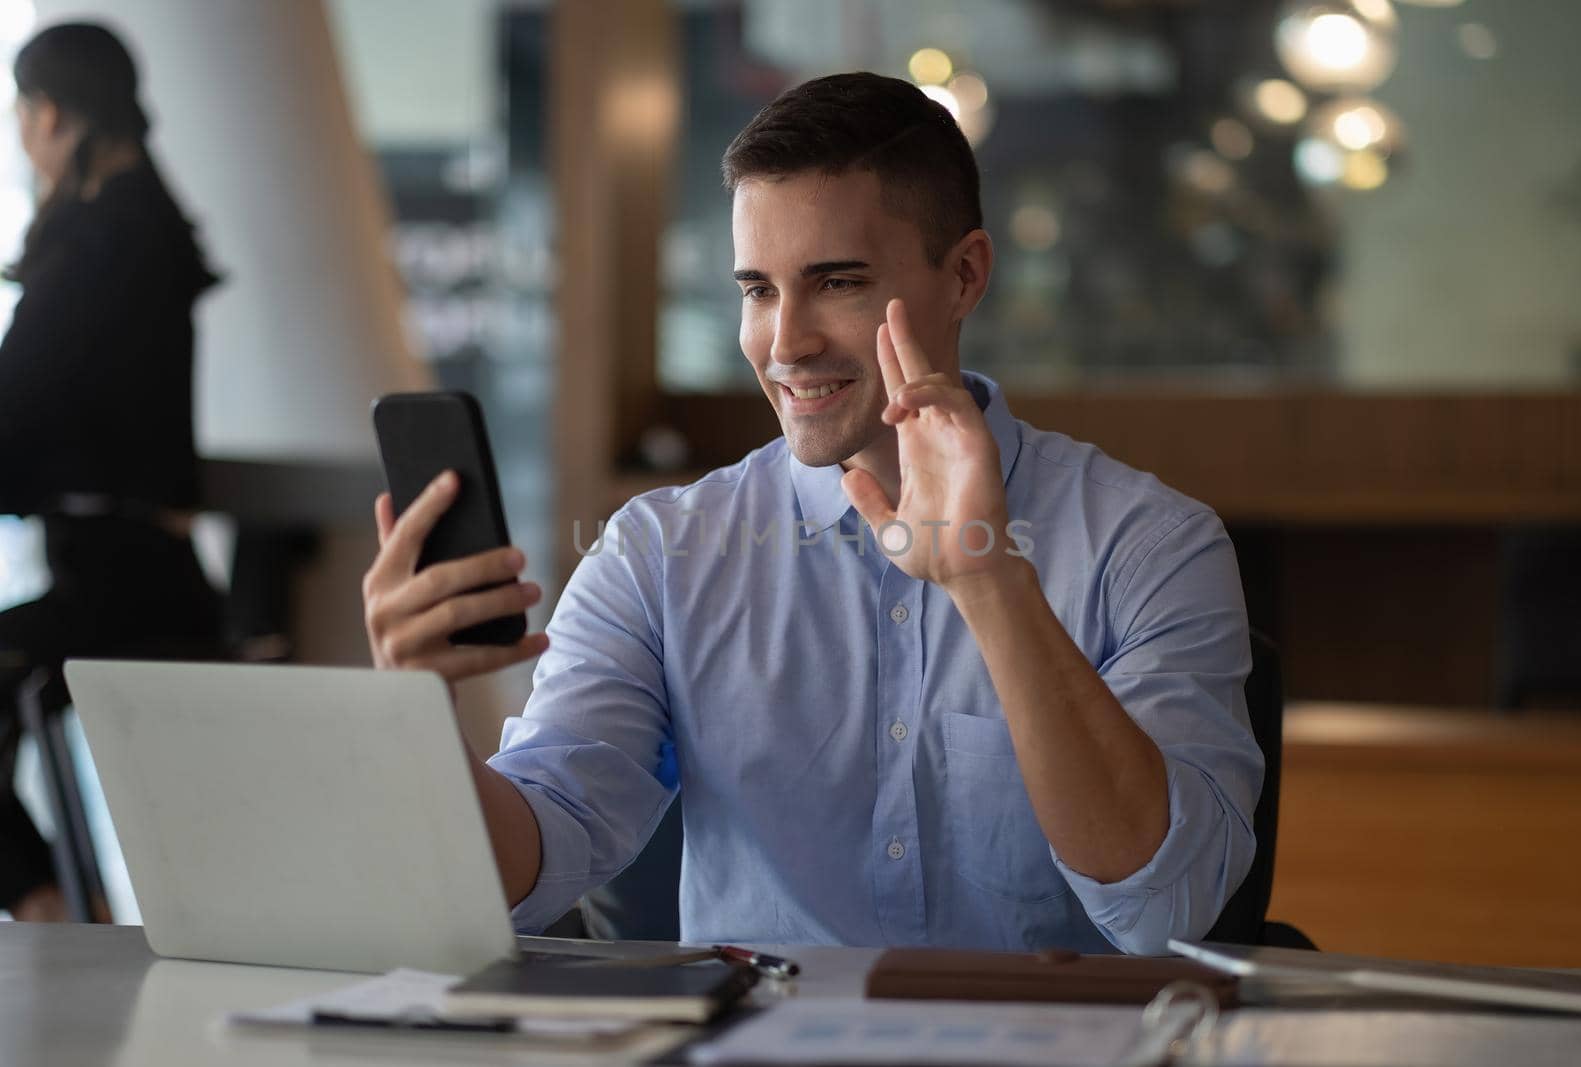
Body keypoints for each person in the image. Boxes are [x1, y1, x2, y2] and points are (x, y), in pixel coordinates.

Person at [363, 72, 1263, 954]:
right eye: (758, 289)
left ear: (964, 275)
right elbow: (527, 868)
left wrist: (990, 581)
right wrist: (423, 717)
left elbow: (1164, 910)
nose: (785, 342)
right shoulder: (658, 553)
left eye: (837, 282)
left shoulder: (1151, 545)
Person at [0, 23, 221, 922]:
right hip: (157, 579)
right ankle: (58, 907)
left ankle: (53, 914)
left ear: (49, 111)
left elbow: (19, 403)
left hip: (116, 592)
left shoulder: (96, 238)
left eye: (18, 109)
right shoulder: (146, 223)